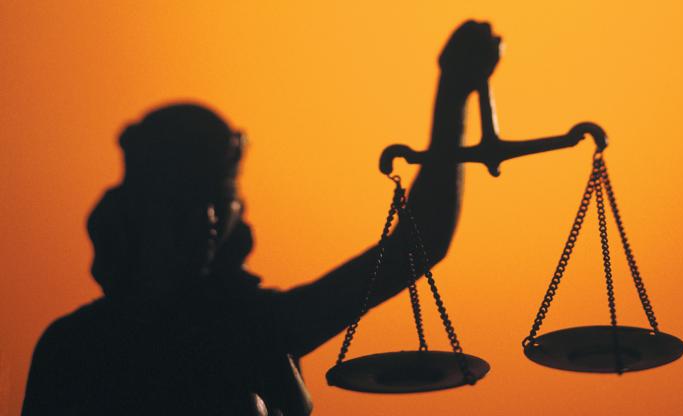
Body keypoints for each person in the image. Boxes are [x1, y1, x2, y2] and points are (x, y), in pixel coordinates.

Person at [22, 21, 500, 415]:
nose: (207, 217)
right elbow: (414, 247)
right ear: (138, 210)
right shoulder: (78, 349)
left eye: (220, 197)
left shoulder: (249, 325)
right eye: (182, 200)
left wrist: (452, 94)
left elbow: (413, 248)